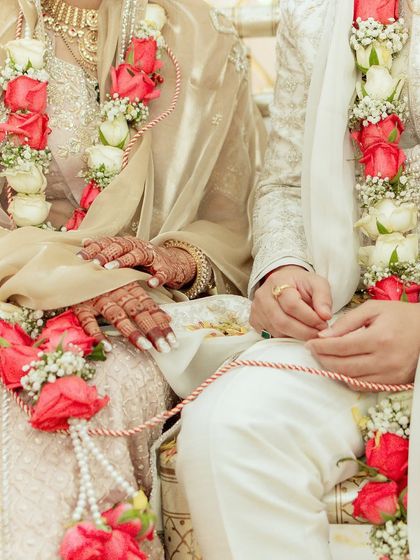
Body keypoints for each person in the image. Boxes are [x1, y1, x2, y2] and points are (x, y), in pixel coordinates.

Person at [0, 0, 265, 558]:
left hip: (149, 305)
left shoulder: (201, 36)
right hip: (10, 284)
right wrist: (69, 277)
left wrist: (175, 258)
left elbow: (236, 216)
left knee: (93, 390)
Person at [178, 0, 420, 558]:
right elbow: (286, 182)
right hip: (352, 328)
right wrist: (283, 269)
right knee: (231, 428)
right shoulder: (315, 13)